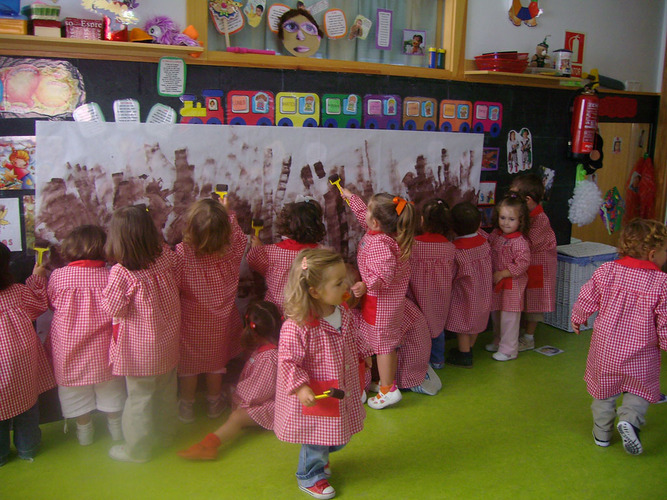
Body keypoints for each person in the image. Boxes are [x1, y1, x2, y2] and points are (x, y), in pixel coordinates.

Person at [274, 248, 372, 499]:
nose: (346, 286)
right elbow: (287, 362)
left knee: (338, 435)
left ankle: (321, 459)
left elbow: (353, 335)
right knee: (316, 437)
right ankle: (309, 475)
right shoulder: (297, 326)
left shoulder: (343, 310)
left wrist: (365, 352)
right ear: (315, 291)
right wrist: (300, 387)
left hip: (340, 385)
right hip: (317, 393)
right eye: (339, 283)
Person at [571, 218, 667, 455]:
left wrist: (578, 317)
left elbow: (587, 297)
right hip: (641, 351)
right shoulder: (662, 283)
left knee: (603, 391)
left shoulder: (607, 271)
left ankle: (602, 433)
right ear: (653, 254)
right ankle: (630, 419)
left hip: (606, 348)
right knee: (639, 389)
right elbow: (665, 318)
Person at [102, 205, 181, 463]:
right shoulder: (165, 257)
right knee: (166, 392)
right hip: (168, 342)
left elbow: (114, 309)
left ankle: (137, 450)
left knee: (139, 400)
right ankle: (167, 435)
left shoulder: (121, 272)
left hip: (141, 351)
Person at [46, 225, 125, 446]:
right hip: (104, 347)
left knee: (75, 392)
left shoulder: (58, 276)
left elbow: (52, 304)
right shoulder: (111, 275)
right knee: (111, 390)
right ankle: (117, 430)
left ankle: (84, 432)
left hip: (68, 347)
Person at [340, 188, 417, 409]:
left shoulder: (381, 245)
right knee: (384, 345)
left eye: (368, 213)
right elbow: (364, 214)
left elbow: (384, 274)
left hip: (381, 304)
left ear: (376, 222)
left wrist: (366, 284)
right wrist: (350, 197)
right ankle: (384, 382)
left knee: (384, 347)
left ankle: (388, 389)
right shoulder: (383, 233)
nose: (364, 216)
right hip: (383, 304)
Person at [177, 300, 282, 460]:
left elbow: (260, 391)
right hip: (262, 396)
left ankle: (210, 445)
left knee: (237, 417)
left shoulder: (270, 357)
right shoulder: (265, 350)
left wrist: (241, 398)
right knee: (228, 392)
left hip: (276, 406)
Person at [175, 198, 246, 424]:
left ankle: (186, 408)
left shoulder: (182, 253)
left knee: (189, 368)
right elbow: (240, 238)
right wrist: (228, 214)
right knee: (217, 366)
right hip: (220, 323)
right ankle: (214, 404)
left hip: (191, 322)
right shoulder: (233, 252)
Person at [0, 243, 52, 466]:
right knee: (27, 406)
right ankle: (27, 447)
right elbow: (40, 304)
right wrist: (37, 277)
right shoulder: (17, 293)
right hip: (21, 359)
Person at [247, 198, 326, 313]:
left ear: (286, 225)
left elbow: (253, 260)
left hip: (275, 312)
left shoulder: (271, 252)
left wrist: (257, 248)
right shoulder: (322, 253)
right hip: (307, 312)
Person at [509, 173, 557, 352]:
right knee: (525, 299)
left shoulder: (540, 219)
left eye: (515, 197)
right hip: (528, 264)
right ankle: (522, 333)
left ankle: (529, 338)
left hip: (539, 266)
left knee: (535, 302)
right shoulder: (528, 214)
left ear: (528, 199)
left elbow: (528, 243)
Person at [407, 199, 455, 370]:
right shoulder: (449, 247)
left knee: (419, 330)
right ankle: (437, 360)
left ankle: (421, 361)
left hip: (417, 294)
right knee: (438, 327)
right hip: (440, 295)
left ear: (422, 220)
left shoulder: (413, 245)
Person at [444, 202, 492, 367]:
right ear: (479, 224)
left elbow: (450, 275)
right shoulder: (484, 242)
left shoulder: (456, 251)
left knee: (463, 326)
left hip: (465, 295)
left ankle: (464, 354)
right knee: (477, 322)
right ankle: (469, 347)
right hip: (483, 291)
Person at [485, 194, 531, 361]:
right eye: (503, 218)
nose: (505, 222)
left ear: (521, 220)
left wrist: (503, 273)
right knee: (496, 315)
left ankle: (509, 349)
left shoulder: (519, 241)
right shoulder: (496, 235)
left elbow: (523, 264)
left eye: (511, 219)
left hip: (512, 284)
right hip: (497, 283)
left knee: (510, 318)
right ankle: (498, 341)